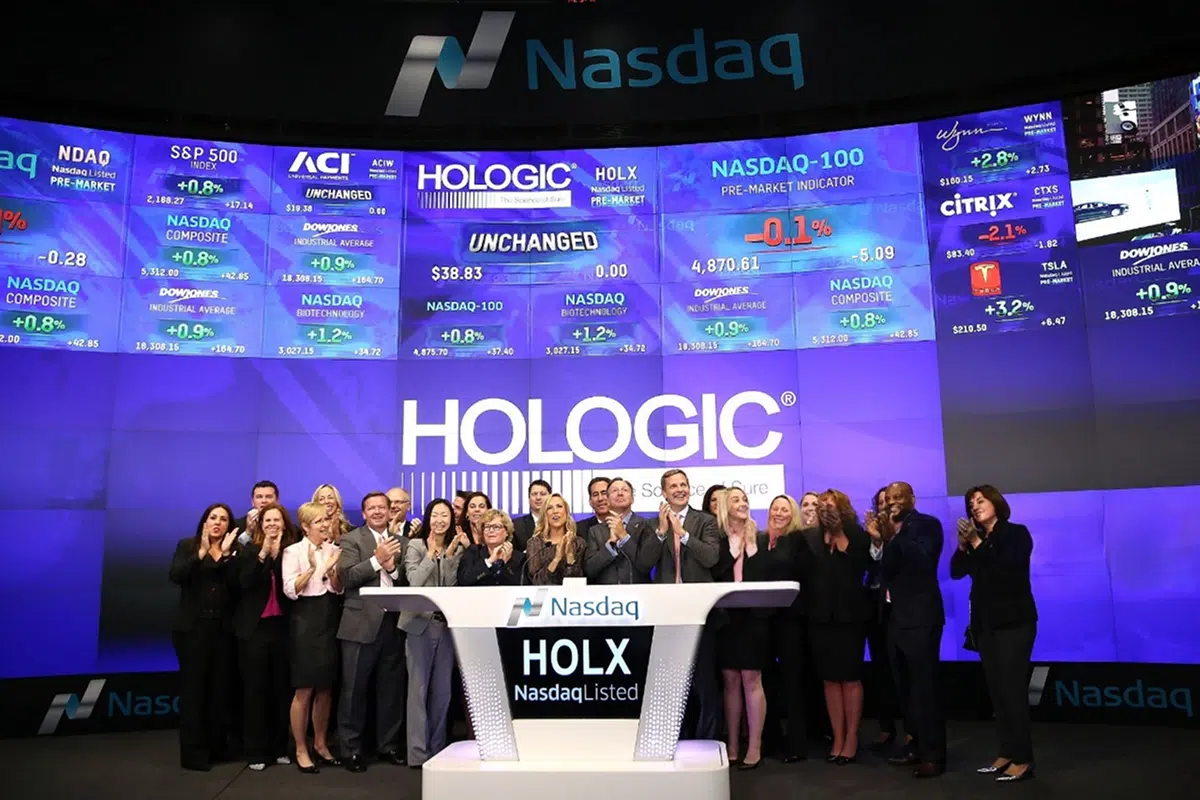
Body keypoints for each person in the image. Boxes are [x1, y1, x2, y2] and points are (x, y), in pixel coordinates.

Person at [951, 485, 1037, 783]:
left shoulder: (1016, 533)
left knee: (1013, 692)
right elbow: (956, 571)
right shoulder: (978, 540)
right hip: (986, 626)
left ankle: (1023, 759)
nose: (974, 506)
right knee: (998, 693)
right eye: (971, 503)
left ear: (996, 503)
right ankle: (1006, 751)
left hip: (1014, 623)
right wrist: (963, 545)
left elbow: (1006, 572)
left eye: (980, 500)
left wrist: (976, 542)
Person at [877, 481, 946, 779]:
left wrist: (893, 536)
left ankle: (933, 755)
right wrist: (882, 541)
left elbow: (922, 561)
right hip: (894, 618)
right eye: (888, 498)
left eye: (898, 497)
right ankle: (914, 745)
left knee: (924, 690)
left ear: (912, 499)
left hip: (921, 618)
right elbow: (888, 570)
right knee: (904, 689)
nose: (892, 502)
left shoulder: (927, 524)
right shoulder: (887, 530)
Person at [336, 492, 407, 772]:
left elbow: (408, 581)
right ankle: (351, 749)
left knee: (391, 689)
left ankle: (388, 745)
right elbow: (347, 577)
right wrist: (377, 561)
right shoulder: (351, 539)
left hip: (394, 622)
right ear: (364, 513)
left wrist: (393, 569)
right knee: (354, 690)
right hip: (360, 624)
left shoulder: (402, 541)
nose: (377, 512)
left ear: (390, 512)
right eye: (371, 508)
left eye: (382, 507)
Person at [801, 490, 871, 765]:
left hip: (850, 617)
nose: (825, 510)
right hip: (820, 618)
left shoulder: (857, 534)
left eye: (830, 506)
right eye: (822, 506)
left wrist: (838, 532)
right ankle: (837, 737)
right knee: (830, 679)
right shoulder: (811, 537)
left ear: (842, 508)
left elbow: (859, 566)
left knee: (850, 678)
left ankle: (852, 737)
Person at [168, 504, 240, 771]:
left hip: (223, 630)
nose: (217, 523)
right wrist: (201, 554)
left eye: (223, 519)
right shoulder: (187, 546)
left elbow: (237, 586)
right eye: (213, 518)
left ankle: (217, 747)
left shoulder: (234, 550)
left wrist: (226, 556)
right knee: (194, 691)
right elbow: (176, 575)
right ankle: (193, 753)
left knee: (219, 691)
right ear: (204, 522)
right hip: (192, 630)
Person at [401, 498, 470, 766]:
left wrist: (450, 557)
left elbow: (451, 586)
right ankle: (417, 754)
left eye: (445, 516)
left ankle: (438, 749)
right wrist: (430, 555)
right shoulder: (416, 546)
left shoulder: (455, 547)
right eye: (435, 515)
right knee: (417, 691)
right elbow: (414, 581)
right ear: (428, 518)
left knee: (443, 692)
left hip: (446, 626)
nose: (440, 520)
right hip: (419, 624)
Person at [282, 502, 344, 773]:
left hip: (329, 618)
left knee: (325, 687)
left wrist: (331, 573)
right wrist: (311, 568)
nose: (324, 525)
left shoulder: (334, 550)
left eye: (326, 520)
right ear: (306, 527)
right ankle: (300, 747)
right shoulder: (293, 551)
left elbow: (339, 589)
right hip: (305, 622)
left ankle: (320, 743)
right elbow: (290, 590)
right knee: (304, 688)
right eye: (318, 521)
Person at [234, 502, 297, 771]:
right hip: (254, 629)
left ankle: (280, 748)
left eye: (276, 520)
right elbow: (244, 583)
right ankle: (256, 751)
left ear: (284, 523)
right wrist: (263, 554)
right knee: (255, 691)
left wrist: (277, 553)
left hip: (282, 628)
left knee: (281, 691)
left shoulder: (292, 551)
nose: (272, 524)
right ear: (260, 525)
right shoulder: (248, 551)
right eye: (267, 520)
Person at [714, 487, 770, 770]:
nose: (742, 503)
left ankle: (755, 746)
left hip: (753, 617)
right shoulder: (717, 538)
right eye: (736, 499)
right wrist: (733, 551)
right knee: (730, 679)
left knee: (751, 677)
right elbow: (714, 572)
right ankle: (733, 745)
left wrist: (749, 548)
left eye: (745, 499)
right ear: (726, 506)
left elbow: (765, 575)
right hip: (726, 617)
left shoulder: (760, 538)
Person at [525, 493, 585, 584]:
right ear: (545, 514)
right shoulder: (535, 543)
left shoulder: (578, 543)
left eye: (559, 506)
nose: (555, 511)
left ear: (566, 512)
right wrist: (556, 559)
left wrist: (569, 556)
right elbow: (537, 581)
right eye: (549, 508)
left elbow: (577, 582)